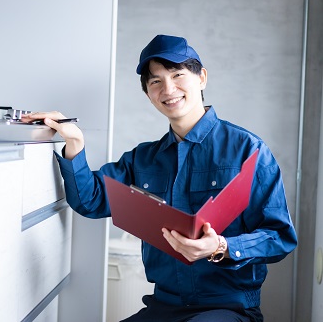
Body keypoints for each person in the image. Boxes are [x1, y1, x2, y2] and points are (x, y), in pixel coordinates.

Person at [21, 34, 297, 322]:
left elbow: (280, 237)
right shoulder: (143, 159)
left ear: (201, 78)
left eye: (178, 75)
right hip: (163, 307)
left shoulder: (248, 150)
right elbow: (90, 200)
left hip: (228, 309)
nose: (169, 88)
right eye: (156, 81)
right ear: (148, 93)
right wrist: (75, 144)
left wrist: (221, 247)